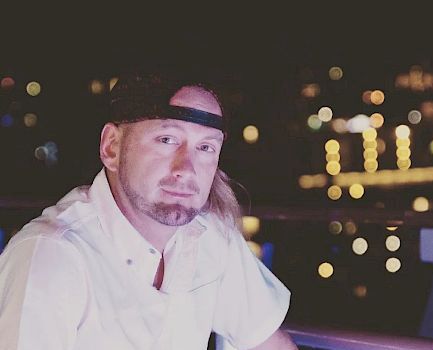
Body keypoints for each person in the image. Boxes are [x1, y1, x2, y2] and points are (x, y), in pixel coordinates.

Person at [0, 72, 297, 350]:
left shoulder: (209, 237)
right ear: (112, 147)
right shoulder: (52, 256)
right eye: (167, 140)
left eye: (205, 147)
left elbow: (267, 342)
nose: (186, 169)